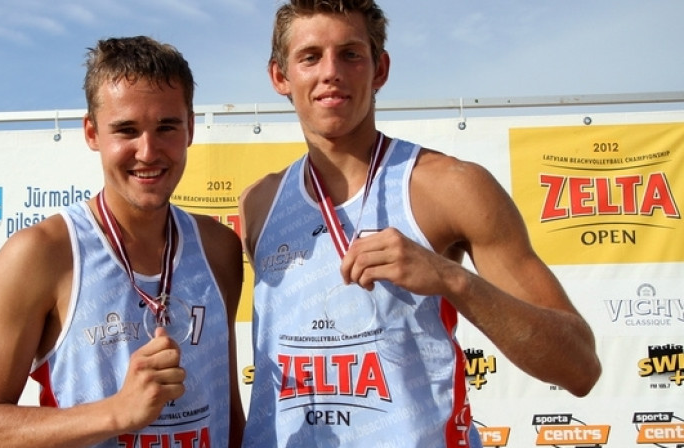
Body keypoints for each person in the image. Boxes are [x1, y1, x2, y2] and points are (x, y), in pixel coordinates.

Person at [238, 1, 601, 446]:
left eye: (350, 54)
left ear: (380, 69)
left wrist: (452, 279)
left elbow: (579, 366)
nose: (330, 72)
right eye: (310, 56)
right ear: (280, 76)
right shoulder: (260, 202)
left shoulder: (450, 187)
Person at [0, 36, 245, 448]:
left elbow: (227, 407)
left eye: (167, 127)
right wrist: (117, 412)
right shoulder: (42, 254)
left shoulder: (218, 246)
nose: (148, 151)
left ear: (190, 129)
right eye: (126, 130)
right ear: (92, 132)